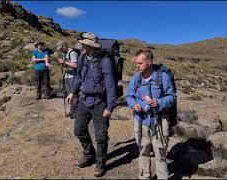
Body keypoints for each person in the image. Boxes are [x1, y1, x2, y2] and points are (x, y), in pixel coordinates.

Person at [66, 32, 116, 177]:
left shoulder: (104, 60)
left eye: (85, 45)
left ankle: (100, 163)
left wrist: (110, 106)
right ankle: (89, 155)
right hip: (84, 99)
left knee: (101, 136)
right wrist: (73, 92)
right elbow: (79, 77)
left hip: (100, 102)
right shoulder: (82, 58)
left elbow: (110, 84)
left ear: (91, 46)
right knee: (79, 130)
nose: (82, 47)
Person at [126, 49, 176, 179]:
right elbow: (129, 96)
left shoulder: (162, 77)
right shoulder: (135, 78)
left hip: (159, 121)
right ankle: (144, 177)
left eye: (140, 63)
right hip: (141, 121)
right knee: (143, 152)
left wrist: (159, 103)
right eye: (136, 63)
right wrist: (133, 105)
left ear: (149, 62)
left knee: (160, 154)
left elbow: (172, 96)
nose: (137, 66)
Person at [56, 40, 82, 118]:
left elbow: (75, 65)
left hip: (73, 77)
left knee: (74, 94)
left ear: (64, 46)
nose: (60, 50)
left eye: (61, 48)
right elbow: (67, 65)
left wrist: (64, 62)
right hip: (67, 76)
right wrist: (62, 63)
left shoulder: (72, 53)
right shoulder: (65, 54)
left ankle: (76, 112)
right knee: (69, 95)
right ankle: (72, 111)